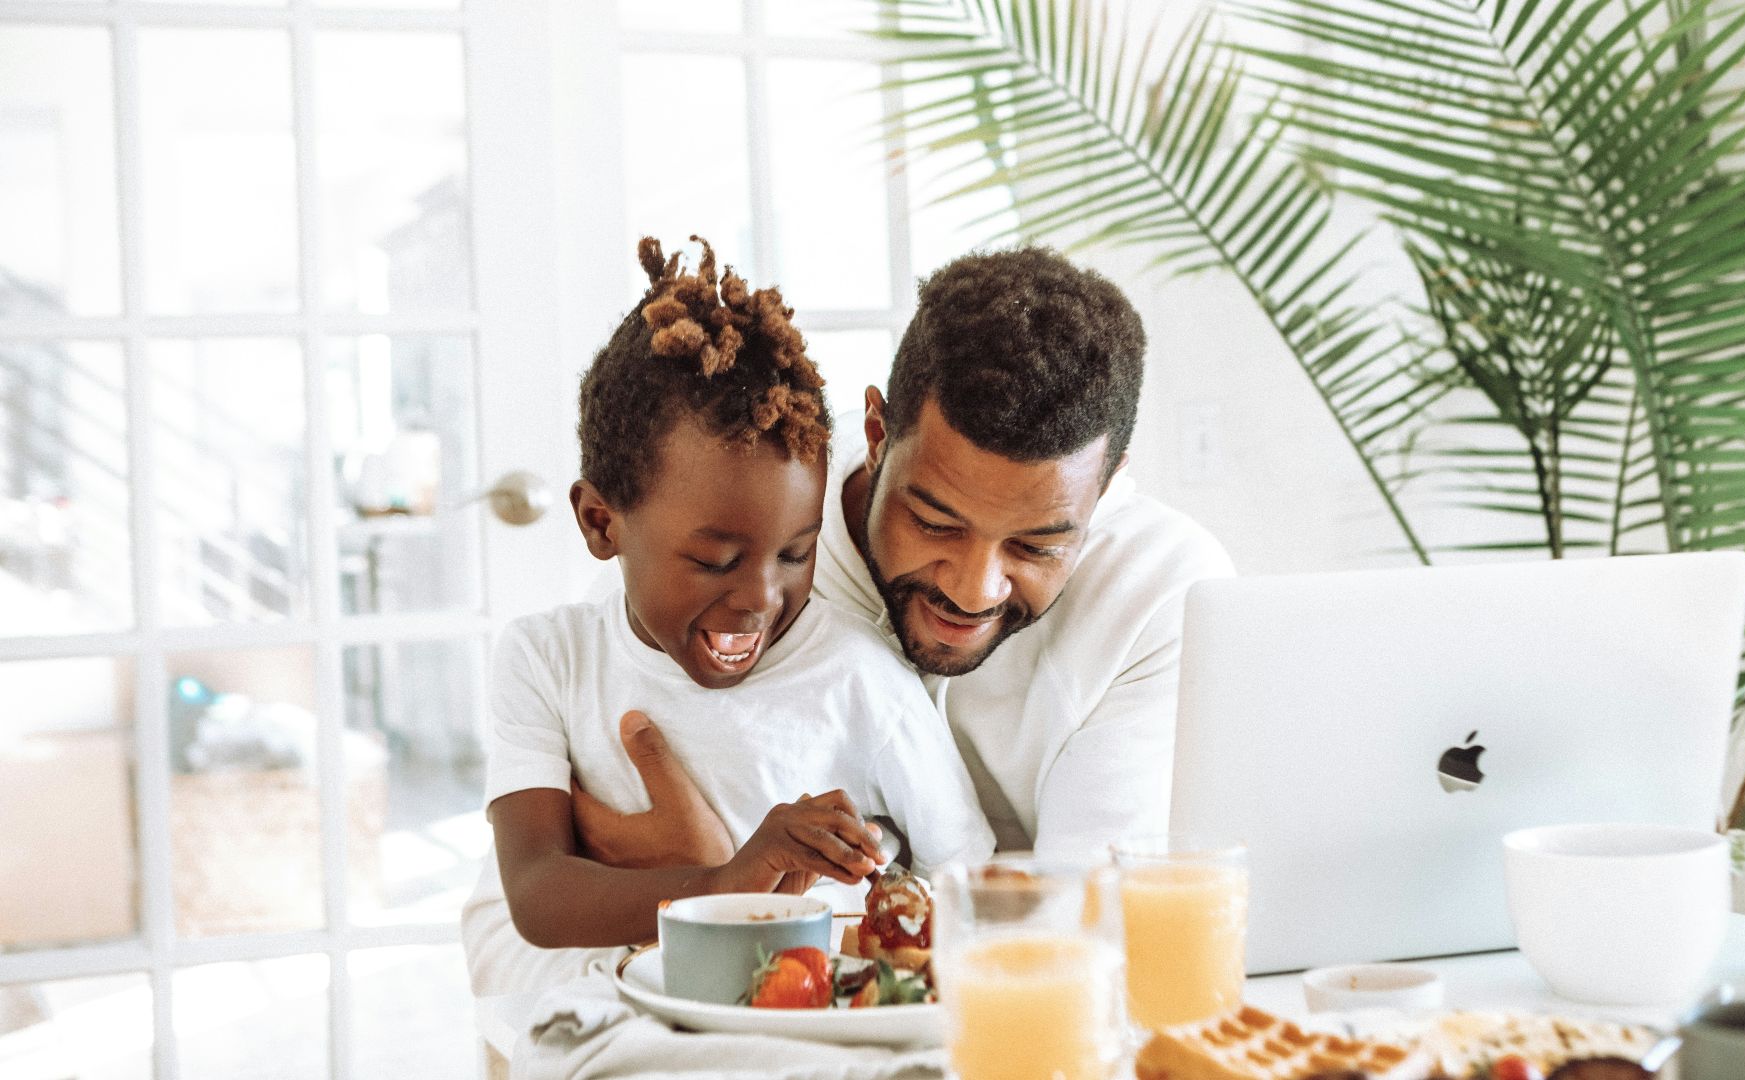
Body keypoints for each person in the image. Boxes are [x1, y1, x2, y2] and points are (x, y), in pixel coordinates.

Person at [576, 246, 1234, 860]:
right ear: (875, 433)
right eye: (935, 523)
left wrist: (722, 886)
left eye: (1035, 546)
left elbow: (1093, 922)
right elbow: (532, 906)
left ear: (1109, 482)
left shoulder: (1166, 592)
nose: (974, 591)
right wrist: (701, 892)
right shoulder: (742, 558)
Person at [461, 237, 992, 997]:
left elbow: (967, 873)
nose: (758, 599)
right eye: (715, 560)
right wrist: (732, 878)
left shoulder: (856, 674)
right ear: (601, 524)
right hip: (628, 1008)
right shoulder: (548, 659)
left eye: (794, 554)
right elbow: (539, 896)